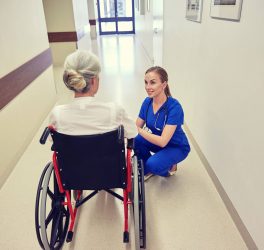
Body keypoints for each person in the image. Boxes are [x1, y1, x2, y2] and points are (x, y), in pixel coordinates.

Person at [49, 50, 137, 139]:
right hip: (106, 153)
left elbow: (52, 139)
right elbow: (132, 133)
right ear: (93, 80)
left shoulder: (57, 114)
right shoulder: (114, 111)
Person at [134, 66, 190, 180]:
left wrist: (139, 130)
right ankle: (149, 169)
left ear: (164, 85)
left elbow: (163, 141)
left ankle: (168, 168)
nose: (148, 87)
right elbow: (136, 126)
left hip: (176, 146)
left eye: (152, 83)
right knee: (136, 139)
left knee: (153, 164)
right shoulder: (147, 102)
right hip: (158, 141)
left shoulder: (174, 107)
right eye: (146, 82)